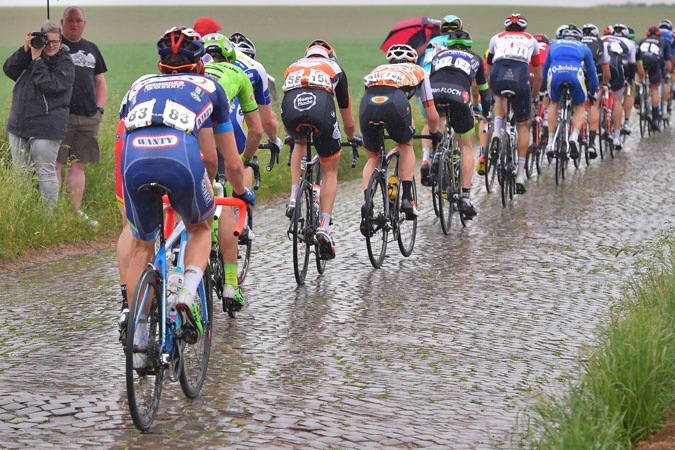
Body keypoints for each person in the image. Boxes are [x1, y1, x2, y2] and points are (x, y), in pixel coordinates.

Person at [119, 26, 255, 366]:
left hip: (132, 162)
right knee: (199, 227)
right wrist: (240, 192)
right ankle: (187, 292)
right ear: (200, 63)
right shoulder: (209, 87)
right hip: (180, 159)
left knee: (141, 246)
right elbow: (221, 159)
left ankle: (137, 338)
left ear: (160, 64)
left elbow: (122, 138)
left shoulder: (139, 85)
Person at [203, 32, 263, 311]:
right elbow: (257, 130)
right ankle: (230, 284)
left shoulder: (194, 70)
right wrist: (244, 159)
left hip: (180, 136)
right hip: (218, 132)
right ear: (229, 56)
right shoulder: (237, 72)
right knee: (224, 201)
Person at [281, 42, 357, 260]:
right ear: (330, 55)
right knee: (329, 167)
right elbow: (347, 116)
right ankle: (324, 225)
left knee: (300, 142)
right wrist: (351, 137)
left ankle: (295, 195)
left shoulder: (292, 66)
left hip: (291, 108)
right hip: (321, 108)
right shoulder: (336, 68)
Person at [359, 44, 441, 230]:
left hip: (368, 105)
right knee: (406, 145)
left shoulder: (377, 70)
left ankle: (367, 202)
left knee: (374, 157)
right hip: (396, 101)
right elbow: (432, 114)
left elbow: (374, 99)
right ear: (412, 59)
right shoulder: (418, 70)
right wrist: (435, 132)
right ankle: (406, 198)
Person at [3, 20, 74, 207]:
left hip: (47, 127)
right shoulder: (32, 54)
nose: (50, 46)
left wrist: (37, 60)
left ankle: (47, 220)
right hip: (19, 125)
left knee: (45, 173)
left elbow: (50, 85)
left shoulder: (65, 62)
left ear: (61, 41)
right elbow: (9, 69)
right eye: (46, 41)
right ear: (39, 40)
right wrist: (25, 49)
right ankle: (23, 213)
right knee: (20, 172)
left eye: (55, 42)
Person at [427, 31, 491, 218]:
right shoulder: (476, 58)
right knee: (465, 146)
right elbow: (484, 93)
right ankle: (465, 197)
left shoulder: (439, 55)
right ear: (468, 45)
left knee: (439, 114)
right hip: (458, 95)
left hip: (434, 94)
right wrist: (486, 112)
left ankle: (438, 151)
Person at [56, 7, 107, 226]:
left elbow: (100, 81)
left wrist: (99, 110)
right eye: (70, 20)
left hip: (88, 117)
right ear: (62, 22)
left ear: (84, 23)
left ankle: (75, 212)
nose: (74, 24)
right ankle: (53, 212)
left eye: (78, 20)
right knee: (56, 164)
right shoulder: (55, 47)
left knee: (78, 165)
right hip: (60, 117)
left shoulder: (91, 48)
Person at [487, 13, 542, 194]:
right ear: (524, 28)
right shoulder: (531, 40)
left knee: (500, 97)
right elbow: (538, 75)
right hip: (520, 75)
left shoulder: (496, 37)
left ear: (506, 28)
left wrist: (490, 90)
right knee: (522, 125)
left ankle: (496, 131)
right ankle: (520, 175)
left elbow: (488, 69)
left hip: (498, 71)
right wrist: (533, 97)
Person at [542, 25, 599, 161]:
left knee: (554, 103)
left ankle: (550, 142)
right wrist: (592, 92)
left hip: (556, 73)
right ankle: (574, 135)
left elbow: (545, 70)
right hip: (575, 74)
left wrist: (545, 88)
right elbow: (592, 73)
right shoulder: (583, 47)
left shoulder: (553, 44)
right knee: (580, 106)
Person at [419, 14, 463, 185]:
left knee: (429, 120)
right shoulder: (458, 41)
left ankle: (425, 159)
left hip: (426, 82)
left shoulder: (433, 42)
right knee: (445, 117)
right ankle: (443, 151)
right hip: (447, 82)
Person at [601, 24, 638, 150]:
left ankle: (601, 120)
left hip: (602, 67)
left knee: (598, 94)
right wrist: (631, 80)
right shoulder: (630, 43)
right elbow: (632, 65)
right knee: (617, 99)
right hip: (618, 68)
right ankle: (617, 136)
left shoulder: (602, 39)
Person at [581, 23, 611, 158]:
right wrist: (605, 83)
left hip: (576, 74)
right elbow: (606, 70)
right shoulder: (600, 43)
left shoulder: (577, 40)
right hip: (593, 73)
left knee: (578, 105)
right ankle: (592, 143)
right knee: (594, 104)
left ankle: (575, 133)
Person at [636, 26, 672, 131]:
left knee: (639, 77)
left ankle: (638, 94)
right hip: (654, 61)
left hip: (641, 60)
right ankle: (655, 117)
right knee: (654, 88)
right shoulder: (663, 41)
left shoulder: (642, 40)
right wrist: (666, 74)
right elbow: (668, 62)